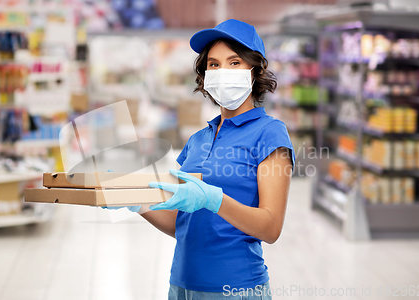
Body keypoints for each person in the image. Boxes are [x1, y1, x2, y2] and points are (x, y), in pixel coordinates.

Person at [110, 19, 295, 300]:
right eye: (214, 64)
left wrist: (215, 200)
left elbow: (270, 228)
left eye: (234, 63)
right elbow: (182, 225)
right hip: (181, 285)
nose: (222, 71)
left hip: (236, 289)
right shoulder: (197, 140)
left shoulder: (270, 133)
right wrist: (136, 201)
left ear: (255, 71)